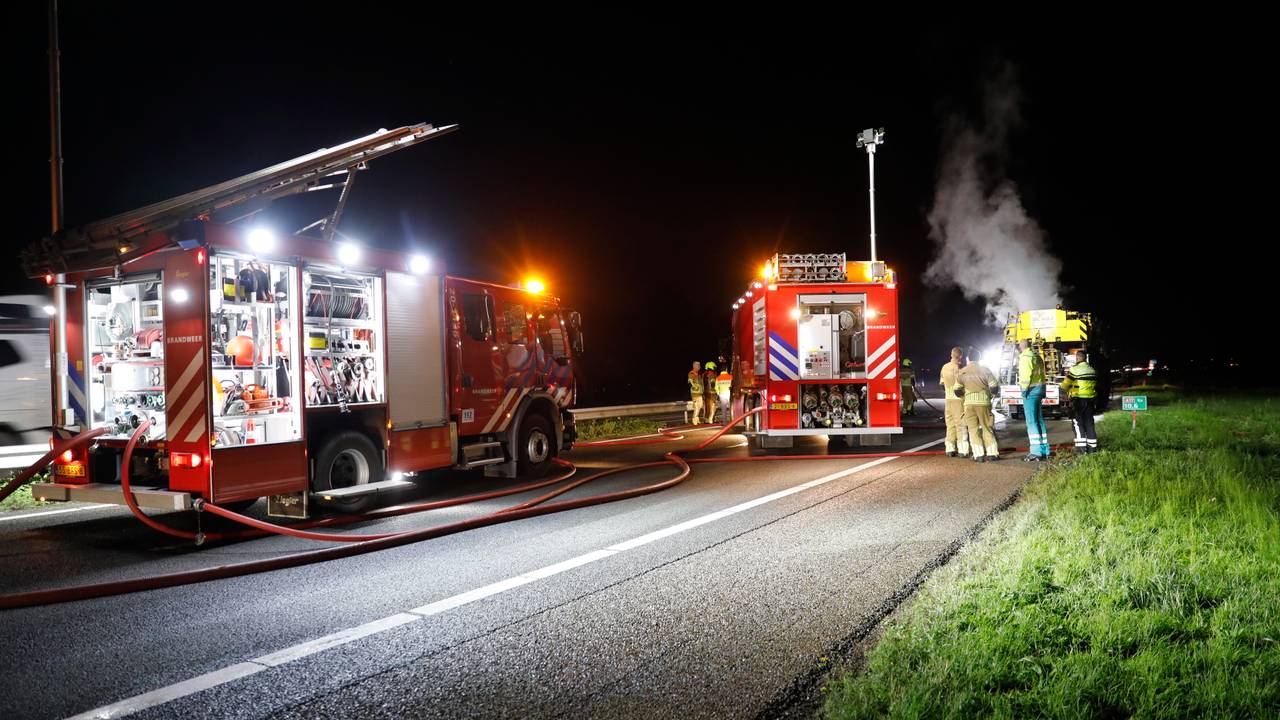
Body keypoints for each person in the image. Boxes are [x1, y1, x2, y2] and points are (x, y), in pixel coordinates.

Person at [954, 355, 1001, 462]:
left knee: (973, 430)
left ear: (968, 359)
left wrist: (965, 396)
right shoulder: (985, 370)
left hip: (969, 404)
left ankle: (978, 454)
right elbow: (994, 387)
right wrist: (991, 396)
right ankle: (992, 453)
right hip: (984, 403)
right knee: (987, 428)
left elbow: (956, 390)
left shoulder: (962, 371)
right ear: (979, 358)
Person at [1060, 350, 1099, 453]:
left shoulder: (1075, 369)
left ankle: (1082, 449)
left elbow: (1065, 385)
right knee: (1089, 423)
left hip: (1078, 400)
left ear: (1077, 358)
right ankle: (1093, 448)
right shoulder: (1092, 370)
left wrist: (1063, 393)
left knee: (1078, 423)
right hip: (1090, 400)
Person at [1018, 340, 1050, 461]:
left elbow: (1025, 377)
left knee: (1031, 422)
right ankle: (1045, 450)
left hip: (1030, 393)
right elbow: (1043, 375)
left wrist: (1024, 392)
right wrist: (1043, 391)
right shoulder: (1037, 357)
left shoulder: (1025, 358)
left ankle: (1036, 452)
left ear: (1021, 347)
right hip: (1039, 391)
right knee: (1039, 420)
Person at [939, 347, 970, 458]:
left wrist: (949, 392)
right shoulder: (961, 368)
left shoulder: (945, 367)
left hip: (948, 400)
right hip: (959, 400)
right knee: (961, 424)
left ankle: (950, 449)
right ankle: (962, 450)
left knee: (950, 424)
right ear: (960, 356)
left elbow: (942, 384)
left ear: (951, 354)